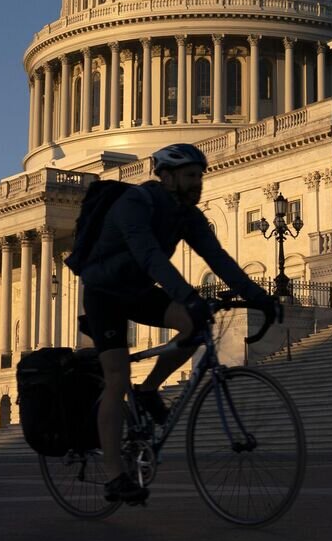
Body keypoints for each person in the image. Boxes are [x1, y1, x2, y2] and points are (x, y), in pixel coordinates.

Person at [79, 142, 282, 504]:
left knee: (194, 324)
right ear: (168, 177)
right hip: (104, 292)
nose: (198, 183)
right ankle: (114, 476)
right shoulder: (135, 204)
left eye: (200, 176)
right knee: (115, 379)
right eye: (191, 176)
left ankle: (148, 390)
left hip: (138, 290)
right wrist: (186, 293)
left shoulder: (186, 215)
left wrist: (258, 296)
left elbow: (217, 258)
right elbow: (149, 255)